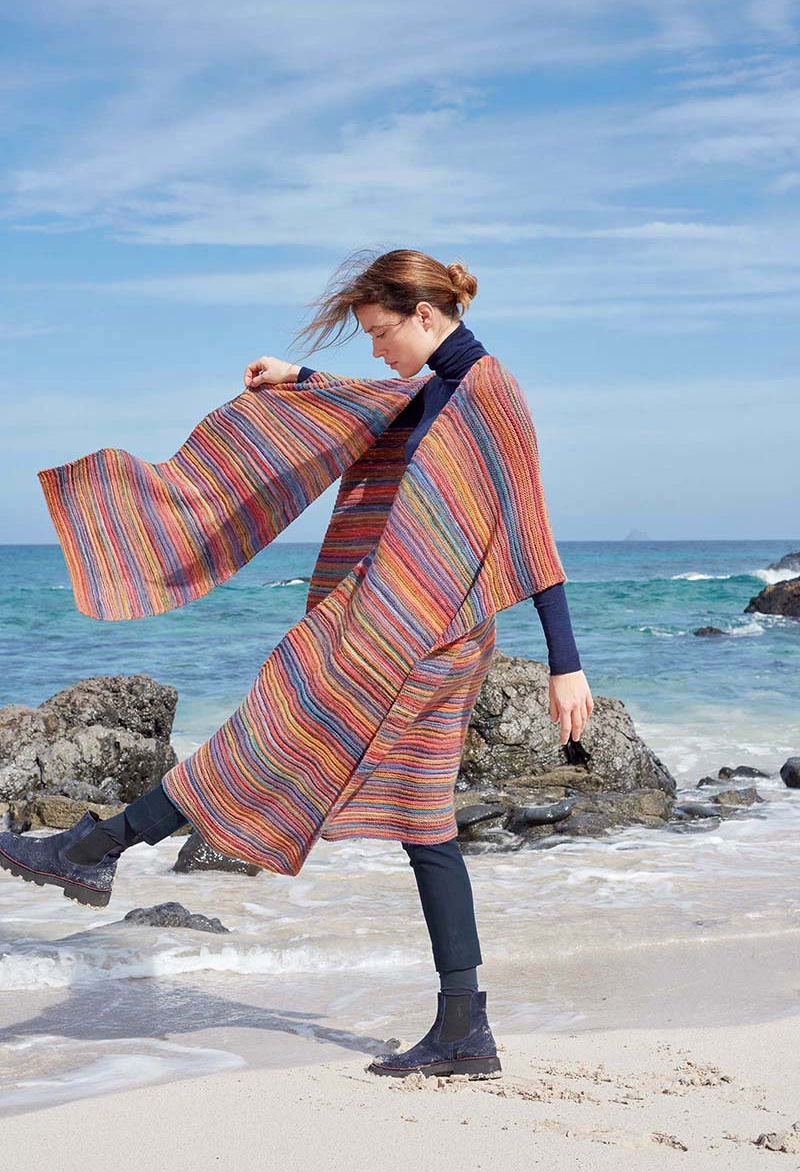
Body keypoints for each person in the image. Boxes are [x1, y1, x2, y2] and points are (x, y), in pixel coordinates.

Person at [0, 248, 593, 1080]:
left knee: (275, 733)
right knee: (422, 823)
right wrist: (303, 379)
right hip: (403, 623)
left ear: (425, 316)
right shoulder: (438, 386)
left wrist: (566, 664)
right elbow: (378, 403)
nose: (376, 348)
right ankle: (464, 1027)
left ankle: (93, 849)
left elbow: (531, 534)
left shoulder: (491, 395)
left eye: (381, 332)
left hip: (420, 634)